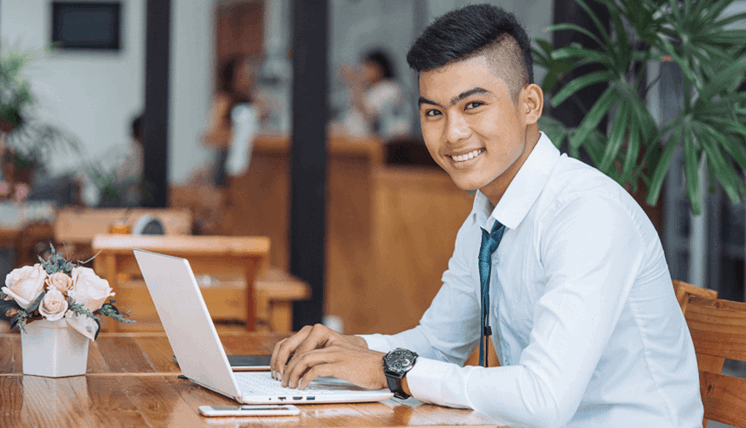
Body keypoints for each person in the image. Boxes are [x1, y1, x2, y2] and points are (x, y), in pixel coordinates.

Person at [270, 4, 703, 428]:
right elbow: (439, 343)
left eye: (473, 105)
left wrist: (389, 368)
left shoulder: (586, 214)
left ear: (530, 104)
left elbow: (543, 398)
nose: (453, 133)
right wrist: (349, 349)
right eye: (434, 113)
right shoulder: (487, 218)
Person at [203, 55, 264, 186]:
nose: (248, 78)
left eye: (249, 73)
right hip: (228, 162)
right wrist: (239, 134)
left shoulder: (254, 102)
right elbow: (212, 133)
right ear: (232, 77)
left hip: (255, 163)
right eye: (243, 74)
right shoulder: (224, 101)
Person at [335, 49, 411, 141]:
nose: (363, 70)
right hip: (354, 136)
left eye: (368, 66)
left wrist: (355, 85)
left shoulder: (390, 88)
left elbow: (372, 119)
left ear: (379, 69)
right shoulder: (370, 89)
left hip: (378, 141)